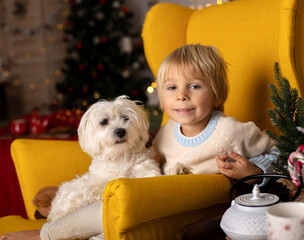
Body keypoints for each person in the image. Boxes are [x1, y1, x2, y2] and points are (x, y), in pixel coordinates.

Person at [0, 44, 277, 240]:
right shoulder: (168, 131)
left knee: (108, 209)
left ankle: (44, 235)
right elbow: (151, 158)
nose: (181, 96)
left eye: (194, 86)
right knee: (107, 224)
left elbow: (277, 154)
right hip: (156, 205)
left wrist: (252, 174)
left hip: (195, 207)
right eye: (171, 88)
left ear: (216, 94)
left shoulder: (231, 130)